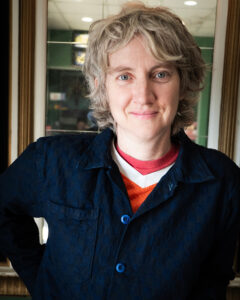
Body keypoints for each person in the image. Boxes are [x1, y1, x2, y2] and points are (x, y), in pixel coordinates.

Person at [0, 2, 240, 299]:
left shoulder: (223, 182)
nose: (143, 95)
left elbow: (214, 279)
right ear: (103, 86)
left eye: (161, 74)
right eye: (124, 76)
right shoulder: (51, 160)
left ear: (184, 82)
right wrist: (42, 281)